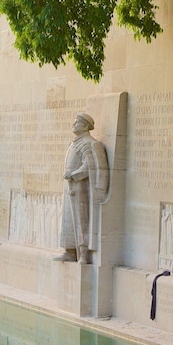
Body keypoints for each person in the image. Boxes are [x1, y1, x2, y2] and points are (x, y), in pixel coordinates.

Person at [58, 112, 109, 264]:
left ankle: (84, 253)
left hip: (81, 188)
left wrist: (74, 174)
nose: (73, 125)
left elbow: (90, 166)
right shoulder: (73, 144)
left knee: (82, 220)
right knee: (68, 219)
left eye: (77, 123)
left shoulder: (89, 143)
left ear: (86, 126)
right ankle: (70, 250)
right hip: (70, 187)